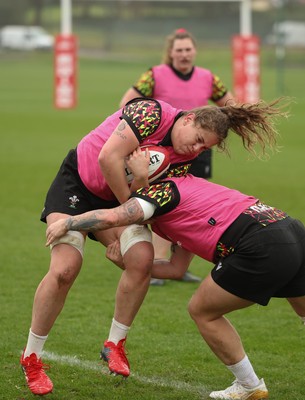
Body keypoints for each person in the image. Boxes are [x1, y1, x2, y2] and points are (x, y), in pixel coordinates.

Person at [20, 96, 285, 395]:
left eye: (204, 148)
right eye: (197, 140)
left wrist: (140, 183)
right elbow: (107, 159)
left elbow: (146, 195)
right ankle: (32, 358)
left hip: (117, 204)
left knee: (140, 260)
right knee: (66, 269)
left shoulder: (184, 159)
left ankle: (115, 344)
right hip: (77, 187)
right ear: (188, 120)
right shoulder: (151, 113)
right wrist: (122, 215)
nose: (196, 151)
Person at [46, 169, 305, 400]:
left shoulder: (158, 194)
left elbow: (113, 218)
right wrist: (127, 264)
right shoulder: (184, 189)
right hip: (288, 227)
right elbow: (176, 268)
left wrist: (68, 222)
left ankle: (249, 385)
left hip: (258, 243)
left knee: (203, 311)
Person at [120, 28, 235, 285]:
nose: (184, 54)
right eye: (179, 50)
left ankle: (180, 266)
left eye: (188, 49)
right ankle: (158, 262)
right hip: (165, 154)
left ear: (195, 51)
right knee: (162, 203)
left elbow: (230, 105)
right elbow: (127, 102)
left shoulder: (209, 78)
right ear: (170, 53)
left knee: (193, 205)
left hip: (198, 150)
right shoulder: (154, 75)